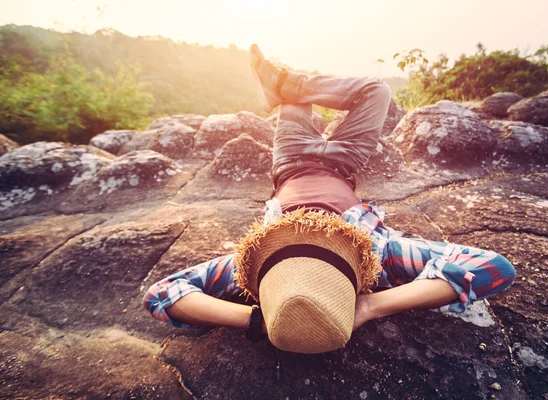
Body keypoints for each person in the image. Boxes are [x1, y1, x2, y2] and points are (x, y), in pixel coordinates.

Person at [143, 44, 516, 354]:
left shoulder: (255, 263)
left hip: (289, 163)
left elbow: (163, 293)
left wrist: (258, 316)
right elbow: (494, 267)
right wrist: (369, 306)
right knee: (377, 91)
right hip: (344, 162)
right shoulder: (380, 255)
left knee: (293, 105)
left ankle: (286, 86)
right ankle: (286, 84)